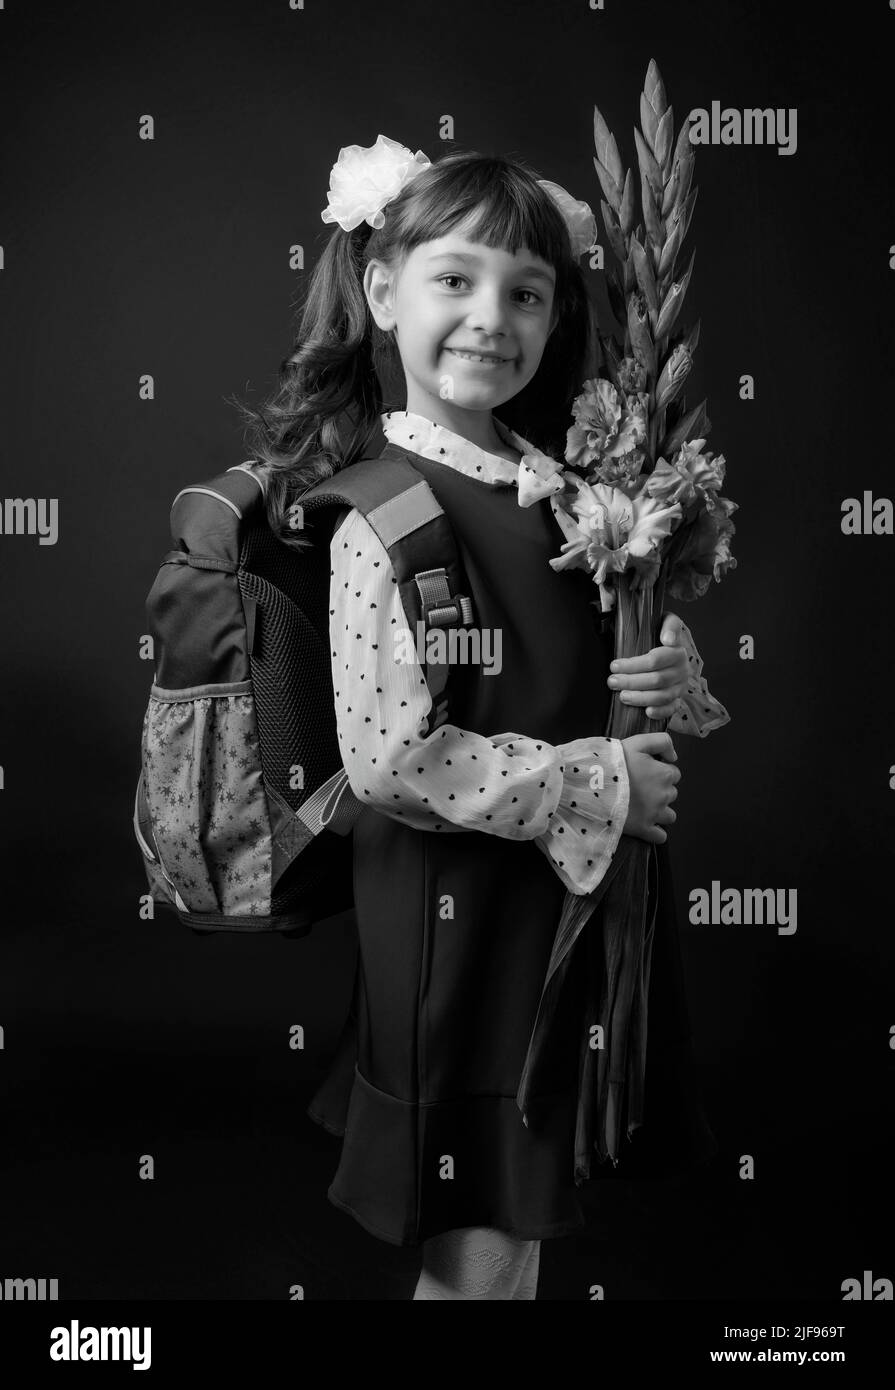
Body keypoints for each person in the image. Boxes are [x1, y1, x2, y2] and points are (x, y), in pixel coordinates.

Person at [231, 136, 729, 1300]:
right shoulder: (384, 514)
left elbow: (598, 664)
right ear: (382, 289)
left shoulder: (566, 490)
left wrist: (664, 668)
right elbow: (394, 757)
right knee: (483, 1222)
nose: (489, 316)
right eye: (454, 278)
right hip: (456, 931)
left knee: (519, 1208)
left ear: (557, 319)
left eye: (526, 291)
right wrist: (603, 779)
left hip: (555, 911)